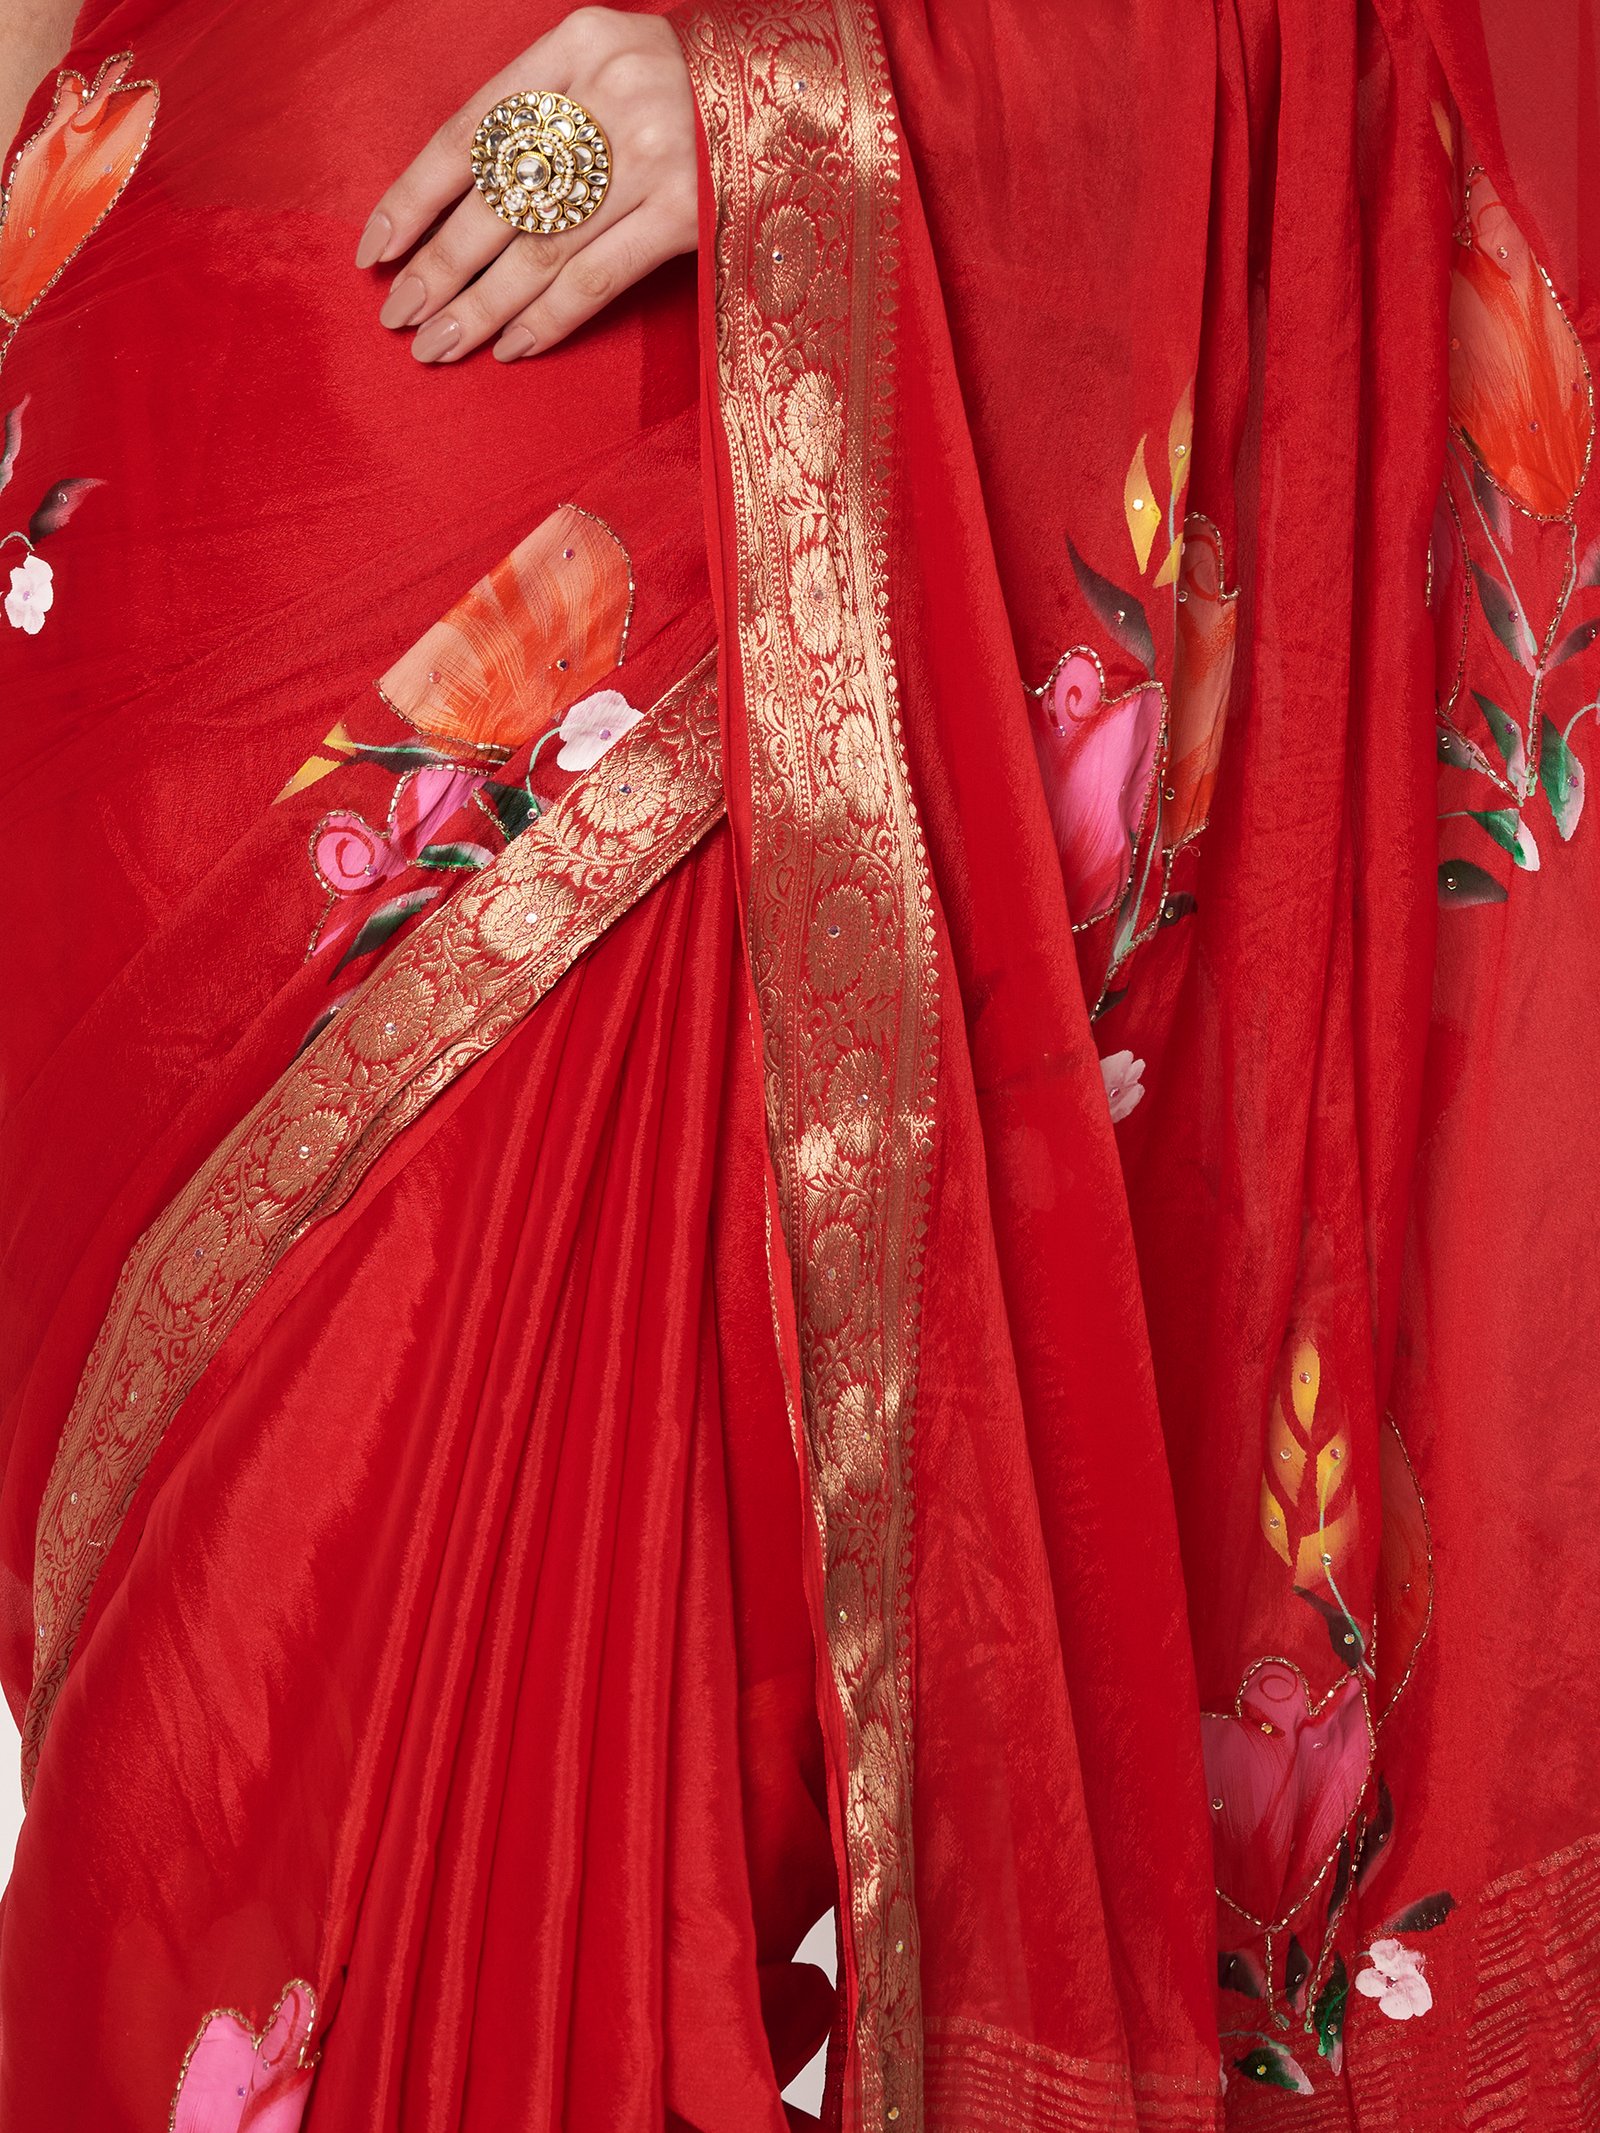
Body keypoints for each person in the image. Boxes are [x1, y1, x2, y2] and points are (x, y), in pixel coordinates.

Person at [0, 0, 1595, 2126]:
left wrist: (818, 98)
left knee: (482, 1814)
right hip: (141, 529)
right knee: (172, 1826)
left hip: (667, 529)